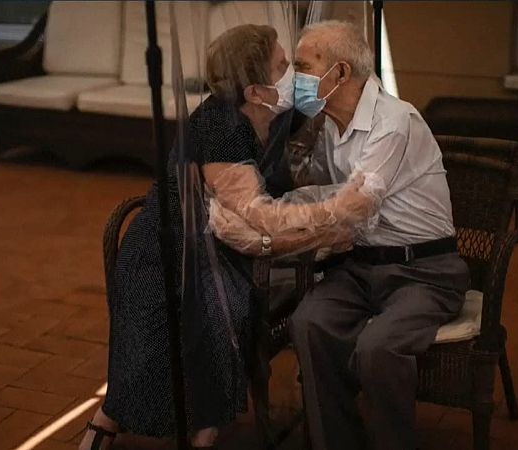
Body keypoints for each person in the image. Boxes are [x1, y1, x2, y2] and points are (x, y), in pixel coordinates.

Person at [79, 24, 372, 450]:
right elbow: (260, 218)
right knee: (217, 315)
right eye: (284, 66)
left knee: (238, 305)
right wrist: (337, 215)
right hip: (171, 254)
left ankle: (201, 424)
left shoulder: (270, 111)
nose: (295, 74)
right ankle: (120, 419)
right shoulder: (221, 128)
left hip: (218, 249)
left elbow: (315, 109)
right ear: (255, 91)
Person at [286, 20, 470, 450]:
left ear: (340, 73)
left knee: (377, 348)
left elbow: (355, 206)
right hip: (360, 268)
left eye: (301, 66)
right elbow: (310, 189)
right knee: (308, 324)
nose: (294, 79)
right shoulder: (329, 126)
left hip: (425, 271)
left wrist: (280, 231)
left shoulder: (394, 120)